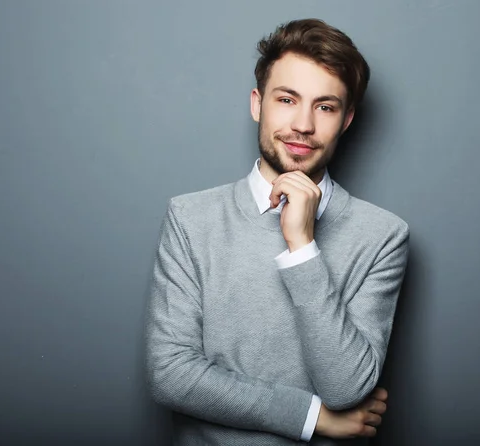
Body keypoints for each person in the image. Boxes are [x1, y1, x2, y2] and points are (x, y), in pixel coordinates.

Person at [145, 18, 409, 445]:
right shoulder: (191, 218)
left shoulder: (382, 235)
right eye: (287, 99)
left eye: (325, 107)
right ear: (257, 104)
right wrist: (312, 418)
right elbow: (170, 374)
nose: (303, 124)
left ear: (346, 120)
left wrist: (302, 247)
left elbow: (347, 388)